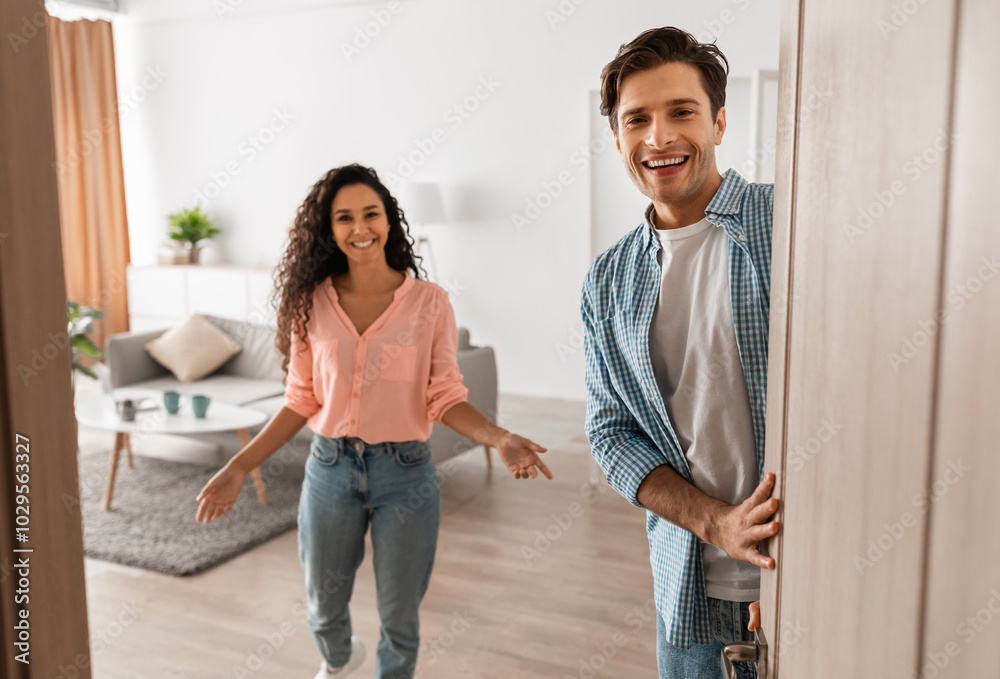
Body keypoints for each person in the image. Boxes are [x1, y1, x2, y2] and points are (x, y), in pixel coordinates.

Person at [195, 163, 552, 679]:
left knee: (400, 617)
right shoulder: (309, 302)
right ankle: (340, 660)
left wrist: (497, 436)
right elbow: (299, 399)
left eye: (371, 214)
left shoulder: (430, 303)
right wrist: (237, 465)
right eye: (345, 218)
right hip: (329, 469)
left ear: (389, 221)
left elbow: (445, 396)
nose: (360, 228)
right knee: (322, 603)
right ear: (329, 229)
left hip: (404, 473)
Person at [581, 27, 779, 678]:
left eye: (682, 112)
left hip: (805, 579)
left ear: (720, 122)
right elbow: (611, 433)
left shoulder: (790, 224)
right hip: (690, 596)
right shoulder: (607, 281)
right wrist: (716, 522)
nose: (659, 137)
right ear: (617, 140)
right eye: (637, 119)